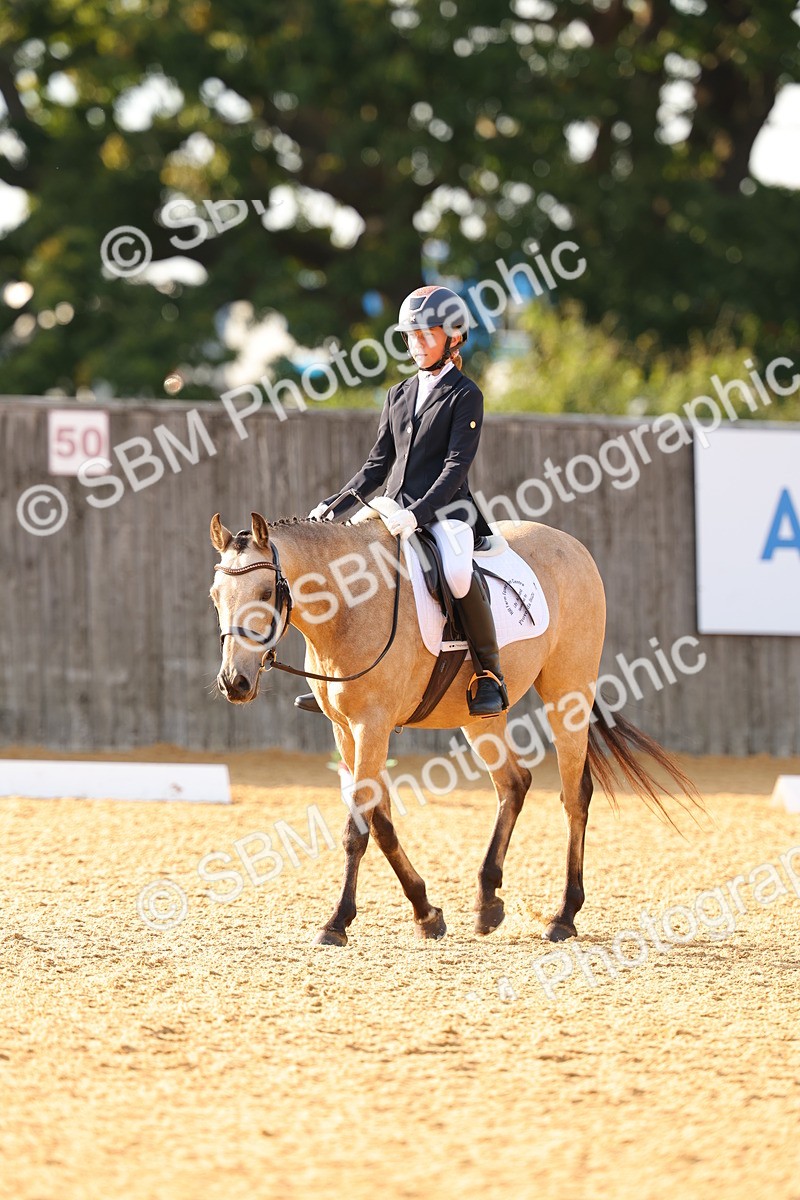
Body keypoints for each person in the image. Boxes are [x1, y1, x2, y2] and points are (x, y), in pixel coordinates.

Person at [297, 284, 508, 719]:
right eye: (411, 336)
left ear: (453, 337)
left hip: (446, 510)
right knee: (345, 562)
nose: (417, 344)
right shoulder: (398, 394)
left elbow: (455, 467)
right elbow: (376, 467)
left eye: (427, 335)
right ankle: (341, 677)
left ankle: (489, 674)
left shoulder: (465, 395)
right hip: (392, 508)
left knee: (457, 573)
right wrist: (333, 507)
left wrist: (418, 514)